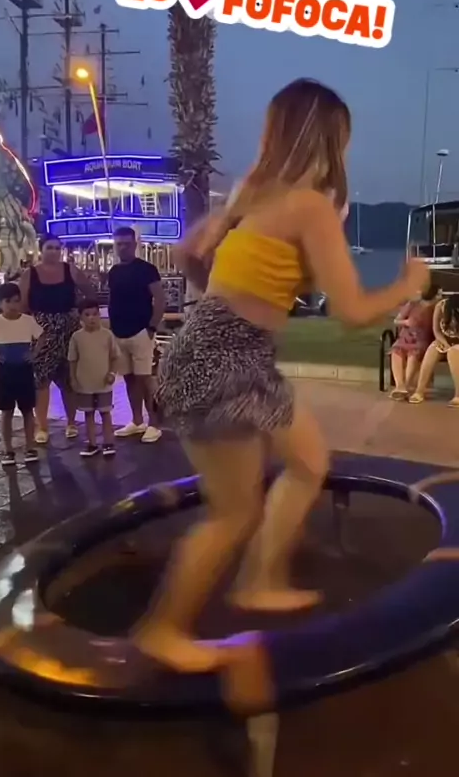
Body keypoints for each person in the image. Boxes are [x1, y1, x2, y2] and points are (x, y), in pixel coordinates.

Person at [132, 77, 430, 673]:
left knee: (309, 461)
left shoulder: (253, 195)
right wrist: (407, 284)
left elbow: (190, 256)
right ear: (329, 138)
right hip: (225, 359)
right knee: (234, 513)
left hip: (227, 350)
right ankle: (161, 631)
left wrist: (231, 288)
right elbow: (351, 312)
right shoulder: (309, 206)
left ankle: (261, 579)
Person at [19, 234, 94, 445]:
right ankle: (42, 426)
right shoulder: (30, 274)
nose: (54, 251)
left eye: (57, 248)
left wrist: (80, 314)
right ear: (41, 249)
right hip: (42, 332)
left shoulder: (71, 270)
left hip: (68, 329)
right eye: (49, 247)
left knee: (69, 378)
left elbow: (90, 293)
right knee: (41, 380)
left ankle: (71, 422)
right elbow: (23, 304)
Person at [108, 226, 165, 443]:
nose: (122, 247)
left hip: (141, 330)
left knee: (145, 379)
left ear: (134, 244)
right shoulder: (114, 272)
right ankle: (137, 420)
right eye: (119, 244)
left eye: (126, 244)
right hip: (119, 331)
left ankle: (154, 423)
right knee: (129, 379)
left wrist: (151, 327)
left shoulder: (147, 269)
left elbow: (160, 299)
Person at [0, 282, 43, 467]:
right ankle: (8, 450)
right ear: (0, 303)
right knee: (6, 412)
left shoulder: (28, 321)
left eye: (16, 301)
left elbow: (42, 336)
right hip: (5, 372)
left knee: (27, 410)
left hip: (24, 371)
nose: (12, 305)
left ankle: (30, 447)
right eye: (8, 301)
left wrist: (34, 353)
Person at [68, 298, 119, 457]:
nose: (92, 318)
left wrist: (112, 373)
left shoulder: (107, 335)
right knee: (88, 414)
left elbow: (115, 357)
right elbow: (72, 360)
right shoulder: (76, 337)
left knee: (105, 413)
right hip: (85, 384)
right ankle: (92, 444)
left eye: (95, 314)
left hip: (103, 383)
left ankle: (108, 443)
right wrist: (73, 378)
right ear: (81, 317)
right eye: (87, 314)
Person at [389, 285, 439, 399]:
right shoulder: (412, 305)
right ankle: (399, 385)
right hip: (405, 337)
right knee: (396, 351)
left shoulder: (436, 308)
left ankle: (406, 385)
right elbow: (396, 321)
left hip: (422, 339)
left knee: (413, 353)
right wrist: (406, 322)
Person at [409, 293, 459, 405]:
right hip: (445, 340)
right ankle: (419, 391)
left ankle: (458, 395)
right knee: (433, 348)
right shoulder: (441, 306)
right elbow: (436, 330)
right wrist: (445, 343)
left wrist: (451, 347)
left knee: (453, 352)